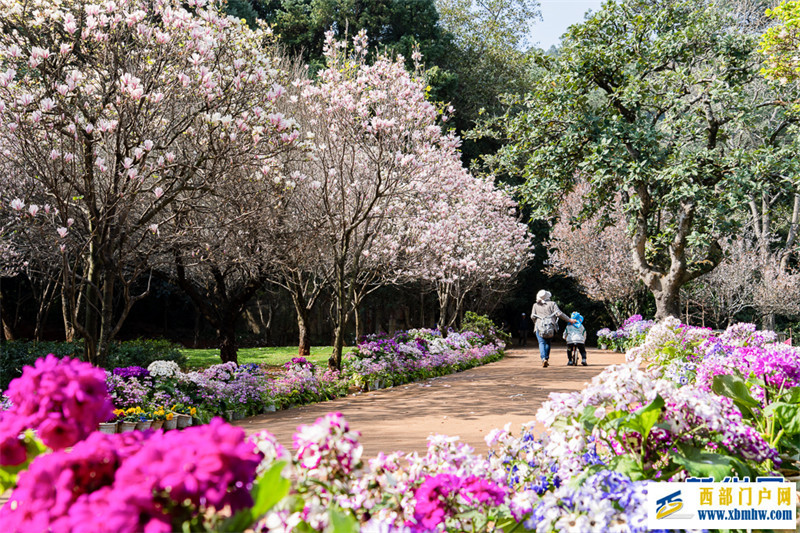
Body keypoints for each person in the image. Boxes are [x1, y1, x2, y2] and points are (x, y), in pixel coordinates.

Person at [531, 290, 576, 367]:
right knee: (548, 342)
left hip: (539, 326)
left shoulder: (535, 305)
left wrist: (537, 322)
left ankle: (543, 358)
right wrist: (569, 320)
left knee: (541, 343)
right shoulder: (552, 304)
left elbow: (532, 316)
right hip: (550, 326)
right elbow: (559, 314)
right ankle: (547, 358)